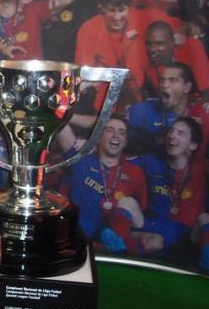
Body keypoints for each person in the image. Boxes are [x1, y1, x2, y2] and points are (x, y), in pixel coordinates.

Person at [58, 117, 148, 254]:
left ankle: (108, 245)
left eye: (121, 132)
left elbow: (140, 216)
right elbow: (58, 120)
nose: (116, 135)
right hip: (82, 231)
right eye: (109, 130)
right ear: (99, 138)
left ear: (125, 142)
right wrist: (91, 141)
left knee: (154, 239)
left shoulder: (136, 172)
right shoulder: (82, 157)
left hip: (117, 233)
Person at [131, 117, 206, 256]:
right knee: (128, 204)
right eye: (171, 131)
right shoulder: (151, 161)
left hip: (186, 238)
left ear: (193, 145)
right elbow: (119, 162)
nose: (172, 135)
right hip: (152, 229)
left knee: (205, 219)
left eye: (180, 133)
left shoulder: (202, 170)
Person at [127, 62, 209, 158]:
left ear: (186, 88)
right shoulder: (141, 111)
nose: (164, 85)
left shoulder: (203, 114)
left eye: (172, 80)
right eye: (162, 80)